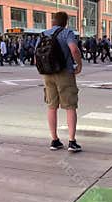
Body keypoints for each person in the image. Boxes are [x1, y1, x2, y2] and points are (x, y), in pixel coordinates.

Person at [40, 12, 82, 152]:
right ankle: (71, 141)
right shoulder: (67, 33)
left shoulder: (43, 34)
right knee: (70, 106)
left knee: (51, 106)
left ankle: (54, 140)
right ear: (65, 22)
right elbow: (74, 49)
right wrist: (79, 64)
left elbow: (36, 56)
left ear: (53, 21)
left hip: (47, 73)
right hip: (64, 73)